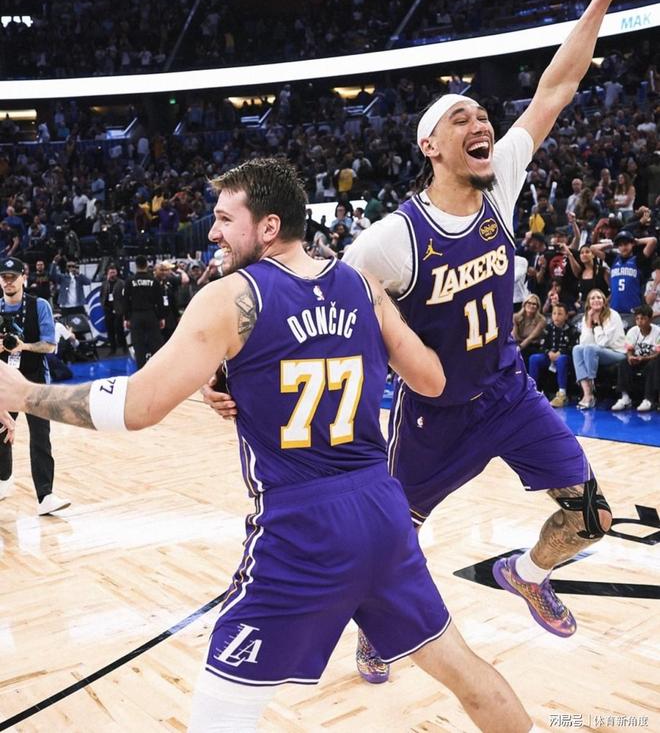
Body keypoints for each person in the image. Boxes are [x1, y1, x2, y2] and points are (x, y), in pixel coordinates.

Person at [0, 159, 534, 733]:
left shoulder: (231, 297)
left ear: (269, 226)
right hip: (383, 509)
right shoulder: (362, 286)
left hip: (302, 525)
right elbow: (431, 379)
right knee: (461, 668)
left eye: (224, 219)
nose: (212, 232)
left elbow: (139, 405)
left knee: (220, 712)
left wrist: (24, 393)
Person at [337, 0, 626, 679]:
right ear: (430, 145)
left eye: (483, 115)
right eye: (460, 116)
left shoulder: (500, 185)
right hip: (434, 415)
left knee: (593, 517)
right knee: (391, 542)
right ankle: (375, 625)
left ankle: (526, 573)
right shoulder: (392, 239)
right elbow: (322, 304)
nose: (481, 122)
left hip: (509, 392)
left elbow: (557, 86)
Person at [0, 257, 68, 514]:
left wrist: (24, 346)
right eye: (4, 277)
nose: (8, 281)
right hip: (5, 380)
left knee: (40, 437)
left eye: (13, 277)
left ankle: (45, 496)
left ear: (23, 278)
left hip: (34, 379)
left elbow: (49, 345)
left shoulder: (39, 306)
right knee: (1, 432)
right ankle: (4, 480)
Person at [571, 289, 626, 409]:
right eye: (593, 298)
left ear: (604, 301)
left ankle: (591, 386)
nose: (596, 300)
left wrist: (597, 324)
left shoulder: (613, 315)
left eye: (599, 297)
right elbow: (584, 343)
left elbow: (602, 343)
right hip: (597, 352)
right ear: (588, 302)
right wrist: (589, 322)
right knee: (577, 349)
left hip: (617, 352)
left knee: (590, 349)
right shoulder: (587, 316)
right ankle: (587, 394)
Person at [591, 230, 657, 314]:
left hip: (634, 310)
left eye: (626, 244)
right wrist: (611, 245)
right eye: (620, 245)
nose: (623, 247)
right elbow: (593, 248)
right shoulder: (613, 259)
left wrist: (637, 241)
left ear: (632, 244)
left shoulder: (638, 260)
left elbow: (653, 240)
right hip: (614, 310)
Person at [610, 303, 660, 412]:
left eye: (643, 318)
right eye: (637, 319)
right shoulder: (633, 331)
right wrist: (630, 357)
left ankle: (648, 399)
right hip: (637, 360)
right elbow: (629, 349)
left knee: (655, 362)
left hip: (651, 360)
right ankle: (625, 398)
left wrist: (643, 359)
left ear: (650, 319)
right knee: (623, 362)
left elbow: (658, 353)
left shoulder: (658, 331)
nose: (640, 321)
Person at [527, 303, 578, 408]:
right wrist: (548, 352)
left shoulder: (572, 329)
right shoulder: (548, 328)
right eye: (554, 313)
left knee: (562, 359)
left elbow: (573, 347)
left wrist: (560, 353)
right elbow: (542, 345)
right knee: (534, 358)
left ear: (566, 316)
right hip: (549, 356)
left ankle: (562, 394)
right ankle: (533, 391)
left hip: (565, 358)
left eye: (560, 314)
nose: (556, 316)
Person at [123, 255, 164, 369]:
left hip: (136, 315)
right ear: (146, 265)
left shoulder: (130, 281)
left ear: (136, 265)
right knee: (155, 343)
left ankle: (141, 369)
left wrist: (127, 318)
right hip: (151, 314)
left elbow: (125, 301)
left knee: (138, 344)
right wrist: (161, 317)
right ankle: (157, 368)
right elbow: (159, 301)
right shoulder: (154, 281)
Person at [100, 264, 127, 355]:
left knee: (119, 329)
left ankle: (124, 347)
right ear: (108, 273)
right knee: (110, 330)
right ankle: (113, 348)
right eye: (110, 272)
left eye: (114, 272)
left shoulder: (121, 283)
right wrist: (103, 304)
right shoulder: (104, 283)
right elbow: (101, 295)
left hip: (118, 309)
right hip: (108, 309)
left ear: (117, 273)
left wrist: (123, 308)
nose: (112, 274)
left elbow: (125, 296)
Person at [512, 294, 546, 366]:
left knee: (522, 353)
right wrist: (517, 347)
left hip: (533, 346)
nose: (531, 305)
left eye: (534, 304)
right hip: (517, 344)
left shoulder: (541, 320)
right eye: (529, 303)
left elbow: (531, 338)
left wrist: (519, 348)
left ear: (537, 307)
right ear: (524, 304)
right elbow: (515, 336)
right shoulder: (515, 317)